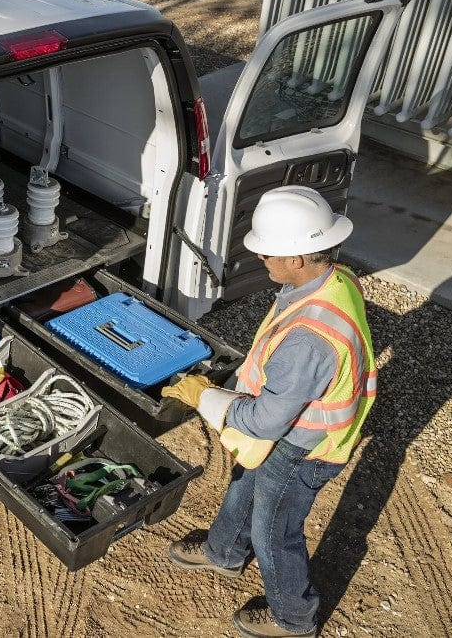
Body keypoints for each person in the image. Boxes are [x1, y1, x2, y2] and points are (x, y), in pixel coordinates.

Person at [162, 186, 376, 638]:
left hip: (305, 447)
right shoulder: (335, 280)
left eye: (267, 253)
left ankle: (294, 620)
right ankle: (224, 551)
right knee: (245, 482)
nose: (262, 260)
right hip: (294, 425)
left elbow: (263, 421)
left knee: (274, 531)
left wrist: (204, 396)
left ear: (297, 258)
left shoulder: (309, 338)